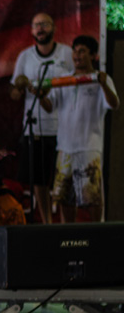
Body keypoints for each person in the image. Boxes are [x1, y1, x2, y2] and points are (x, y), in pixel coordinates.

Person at [39, 35, 119, 223]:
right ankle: (69, 235)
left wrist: (103, 84)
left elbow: (114, 104)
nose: (77, 55)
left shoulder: (100, 80)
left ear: (93, 55)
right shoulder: (63, 80)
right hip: (65, 147)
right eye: (75, 51)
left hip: (89, 147)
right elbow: (50, 106)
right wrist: (40, 96)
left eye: (82, 51)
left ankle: (97, 235)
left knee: (91, 197)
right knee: (65, 197)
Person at [10, 13, 73, 224]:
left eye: (44, 24)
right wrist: (21, 87)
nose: (40, 29)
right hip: (35, 129)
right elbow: (14, 95)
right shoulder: (25, 57)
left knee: (63, 180)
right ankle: (47, 223)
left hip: (63, 128)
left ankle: (66, 227)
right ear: (31, 31)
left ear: (54, 28)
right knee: (38, 180)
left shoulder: (67, 54)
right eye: (36, 25)